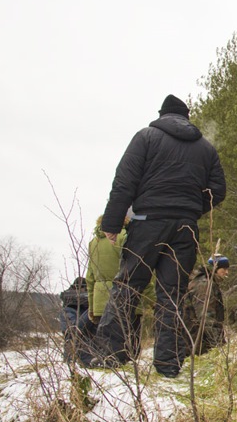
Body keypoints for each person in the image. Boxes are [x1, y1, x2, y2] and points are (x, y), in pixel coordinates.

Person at [91, 94, 226, 377]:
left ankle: (109, 356)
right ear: (187, 116)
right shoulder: (206, 148)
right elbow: (219, 190)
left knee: (128, 287)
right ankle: (168, 365)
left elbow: (124, 182)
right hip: (185, 229)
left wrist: (113, 223)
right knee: (172, 295)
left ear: (162, 114)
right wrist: (190, 210)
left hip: (147, 223)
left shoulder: (146, 137)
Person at [85, 215, 154, 365]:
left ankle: (107, 368)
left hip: (100, 300)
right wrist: (154, 300)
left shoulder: (93, 243)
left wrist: (91, 306)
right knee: (129, 345)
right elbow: (137, 270)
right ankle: (128, 375)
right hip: (125, 297)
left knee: (106, 343)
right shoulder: (125, 237)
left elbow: (90, 277)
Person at [185, 255, 229, 355]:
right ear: (215, 268)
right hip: (196, 342)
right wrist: (219, 346)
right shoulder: (205, 285)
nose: (227, 272)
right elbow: (206, 317)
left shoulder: (204, 282)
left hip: (196, 340)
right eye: (224, 269)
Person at [58, 276, 90, 361]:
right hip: (76, 358)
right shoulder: (68, 310)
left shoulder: (67, 309)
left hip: (84, 356)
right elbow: (73, 329)